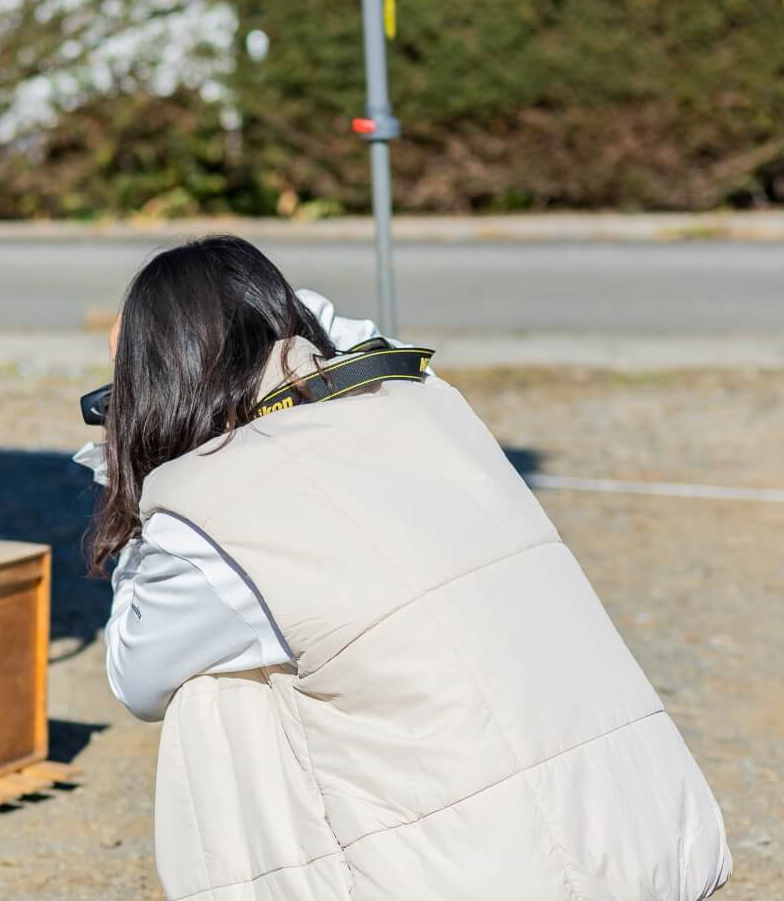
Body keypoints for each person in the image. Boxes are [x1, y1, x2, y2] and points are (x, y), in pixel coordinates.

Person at [91, 236, 731, 901]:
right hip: (642, 829)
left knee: (211, 688)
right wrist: (267, 311)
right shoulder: (426, 403)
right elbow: (358, 337)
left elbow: (135, 675)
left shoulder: (209, 512)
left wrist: (129, 461)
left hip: (486, 876)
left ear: (153, 382)